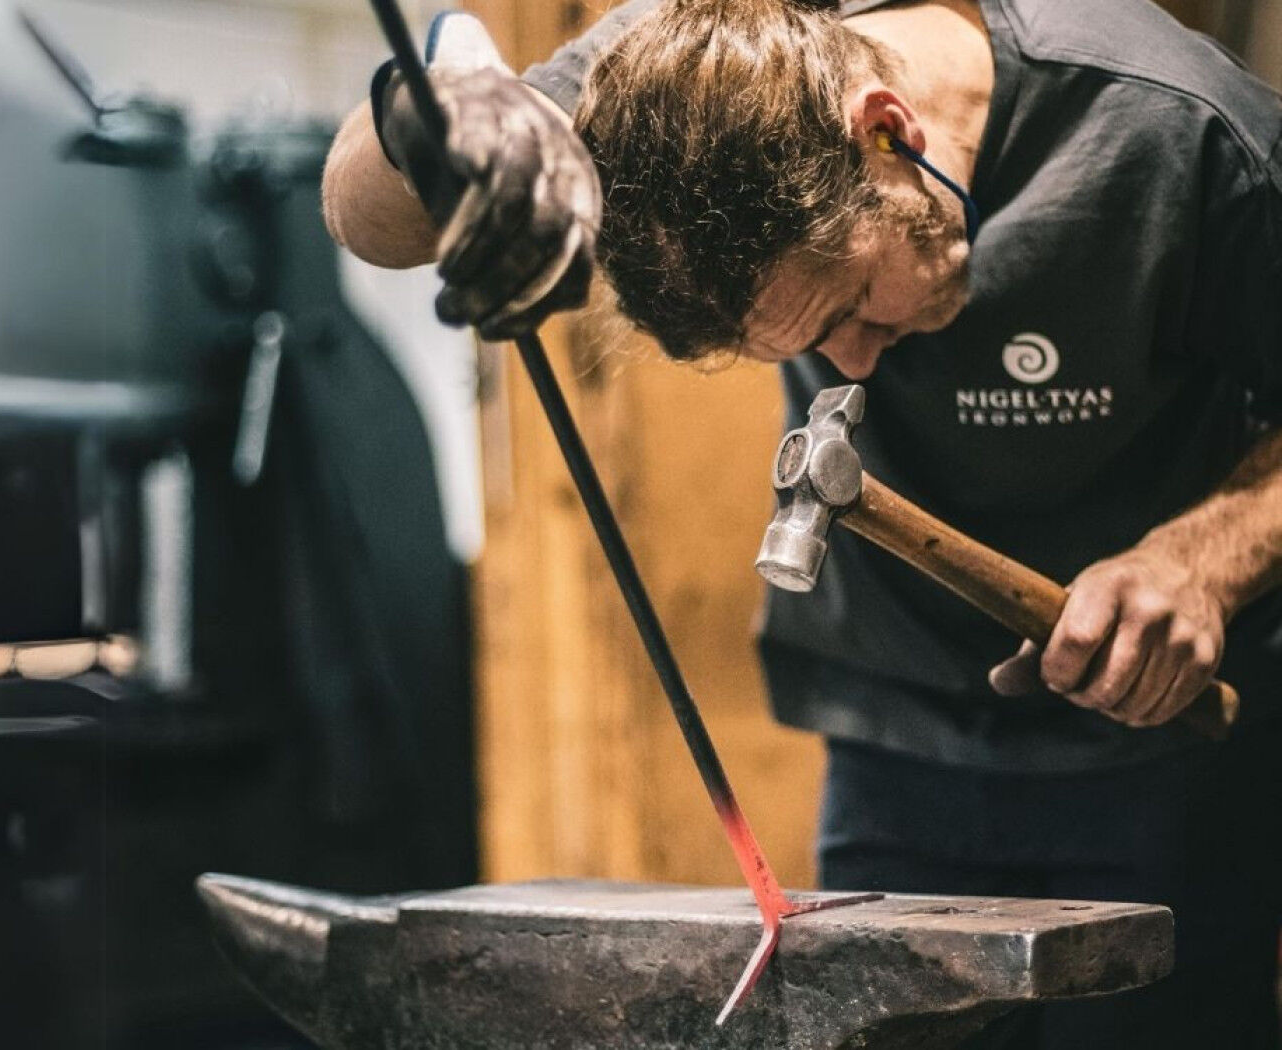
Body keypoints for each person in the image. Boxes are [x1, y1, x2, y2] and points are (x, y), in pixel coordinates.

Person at [323, 1, 1282, 1045]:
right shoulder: (680, 79)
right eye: (806, 347)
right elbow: (364, 216)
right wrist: (450, 110)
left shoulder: (1173, 126)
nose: (855, 369)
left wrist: (1196, 562)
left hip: (1171, 746)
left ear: (886, 131)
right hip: (896, 741)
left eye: (852, 307)